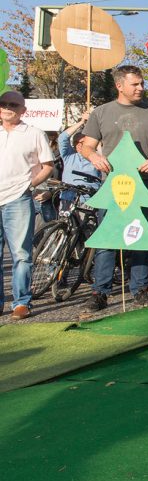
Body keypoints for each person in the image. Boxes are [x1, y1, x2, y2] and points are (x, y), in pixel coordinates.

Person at [80, 65, 148, 311]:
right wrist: (94, 157)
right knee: (107, 238)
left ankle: (140, 289)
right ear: (120, 86)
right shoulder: (101, 112)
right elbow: (86, 145)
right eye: (135, 84)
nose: (141, 88)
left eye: (142, 83)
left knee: (140, 238)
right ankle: (100, 292)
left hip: (144, 183)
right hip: (112, 185)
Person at [0, 91, 55, 319]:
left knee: (21, 254)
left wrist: (29, 186)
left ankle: (21, 302)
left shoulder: (34, 133)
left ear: (23, 110)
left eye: (13, 104)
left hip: (18, 198)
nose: (7, 107)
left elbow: (48, 165)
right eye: (3, 103)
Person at [55, 109, 101, 210]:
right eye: (76, 142)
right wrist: (81, 122)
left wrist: (93, 126)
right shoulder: (69, 156)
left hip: (88, 200)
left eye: (83, 142)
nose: (80, 145)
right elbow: (63, 138)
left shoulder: (96, 157)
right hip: (68, 198)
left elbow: (102, 151)